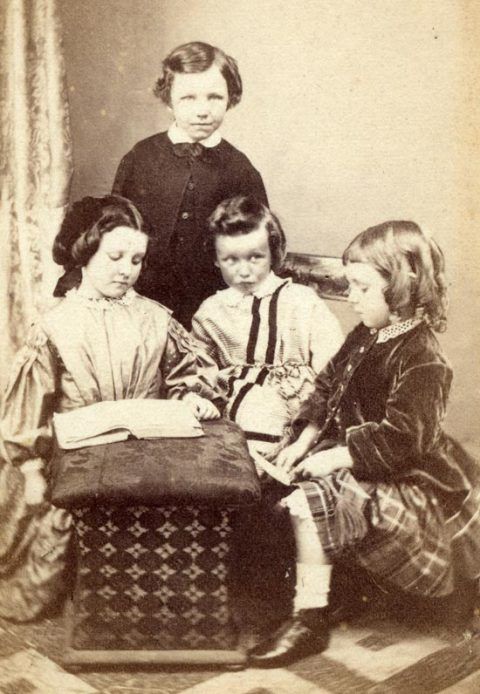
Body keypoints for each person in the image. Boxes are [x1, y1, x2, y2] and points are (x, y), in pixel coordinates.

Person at [247, 220, 480, 667]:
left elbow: (403, 438)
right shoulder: (365, 334)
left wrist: (334, 456)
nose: (349, 296)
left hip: (406, 477)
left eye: (360, 287)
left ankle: (309, 618)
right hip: (356, 455)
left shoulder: (423, 357)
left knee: (313, 501)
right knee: (279, 472)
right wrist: (304, 442)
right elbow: (326, 387)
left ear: (400, 289)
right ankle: (339, 588)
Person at [0, 195, 220, 621]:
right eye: (115, 256)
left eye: (136, 259)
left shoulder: (156, 318)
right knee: (48, 554)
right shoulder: (56, 324)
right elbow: (29, 409)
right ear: (84, 252)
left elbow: (184, 377)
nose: (127, 269)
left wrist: (193, 395)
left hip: (143, 447)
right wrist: (29, 468)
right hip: (73, 452)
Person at [112, 41, 268, 328]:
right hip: (140, 303)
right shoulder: (141, 157)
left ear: (230, 99)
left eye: (214, 97)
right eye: (188, 98)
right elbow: (110, 230)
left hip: (214, 309)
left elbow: (260, 244)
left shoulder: (241, 170)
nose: (202, 110)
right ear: (168, 100)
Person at [192, 195, 343, 463]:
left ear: (273, 251)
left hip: (303, 413)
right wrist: (200, 396)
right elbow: (198, 368)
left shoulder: (302, 301)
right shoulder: (211, 312)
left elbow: (332, 365)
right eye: (231, 260)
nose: (245, 271)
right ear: (215, 259)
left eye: (255, 257)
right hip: (233, 416)